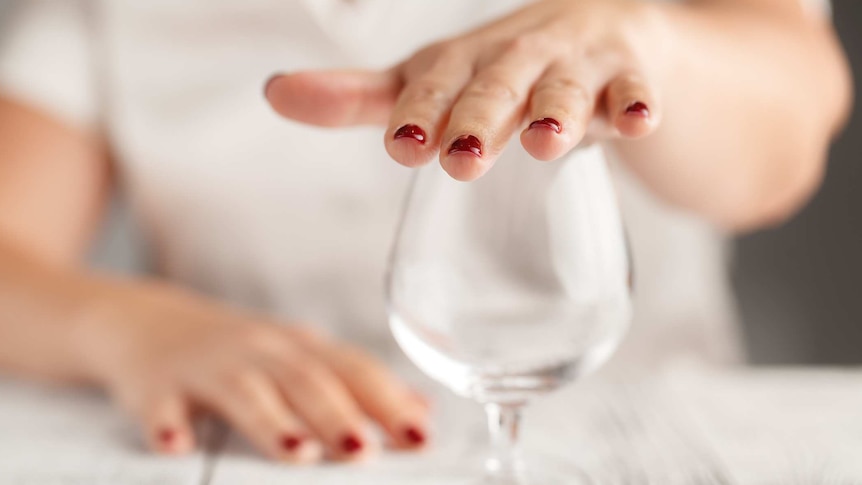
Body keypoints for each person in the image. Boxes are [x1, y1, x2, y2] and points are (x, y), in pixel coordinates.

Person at [0, 0, 850, 465]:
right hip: (273, 453)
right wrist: (130, 328)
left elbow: (783, 148)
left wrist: (639, 39)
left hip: (635, 440)